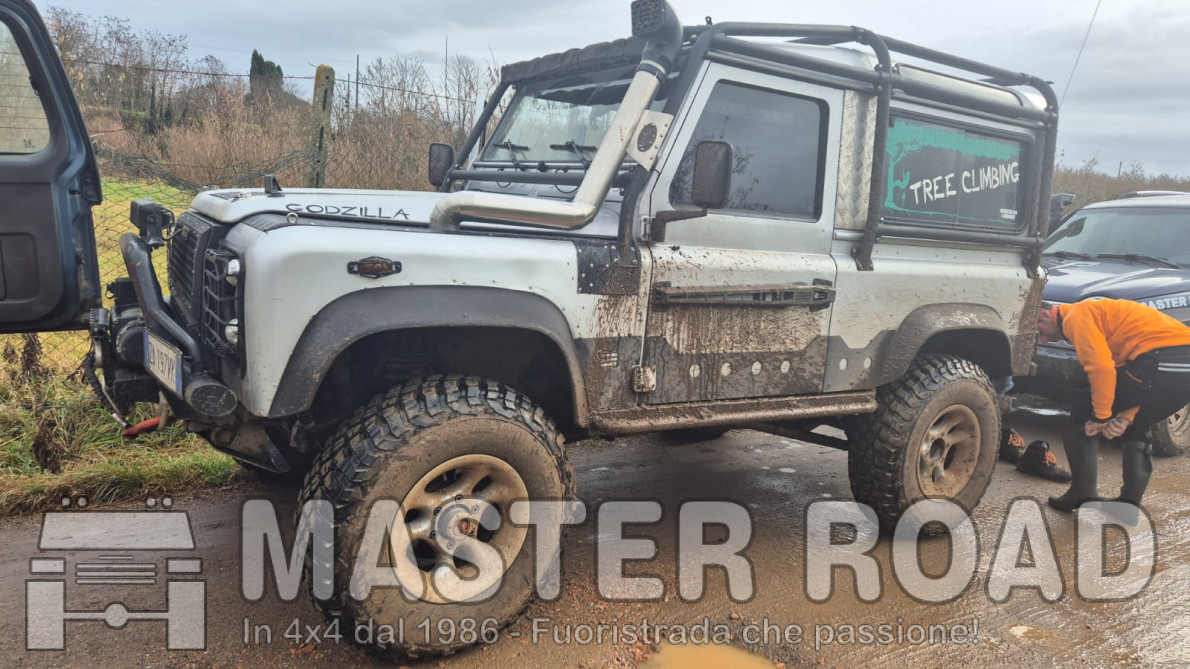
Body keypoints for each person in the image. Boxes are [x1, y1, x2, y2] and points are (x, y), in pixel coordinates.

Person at [1036, 300, 1190, 511]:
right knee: (1138, 422)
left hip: (1170, 358)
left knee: (1083, 403)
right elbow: (1131, 384)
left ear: (1045, 314)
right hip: (1171, 362)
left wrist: (1100, 416)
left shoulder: (1075, 316)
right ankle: (1128, 506)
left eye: (1040, 331)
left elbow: (1101, 368)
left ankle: (1082, 492)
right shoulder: (1100, 320)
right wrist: (1125, 417)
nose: (1044, 339)